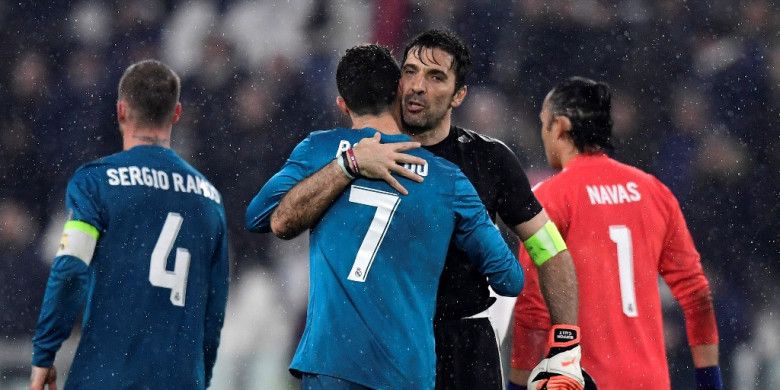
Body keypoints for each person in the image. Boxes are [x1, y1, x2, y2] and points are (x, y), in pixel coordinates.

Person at [250, 29, 584, 389]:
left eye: (435, 76)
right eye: (410, 72)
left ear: (459, 95)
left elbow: (547, 247)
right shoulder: (360, 151)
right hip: (389, 346)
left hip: (461, 340)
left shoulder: (489, 159)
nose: (418, 85)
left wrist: (566, 341)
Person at [510, 77, 722, 390]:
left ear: (561, 127)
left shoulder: (548, 200)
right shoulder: (653, 191)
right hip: (650, 380)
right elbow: (696, 293)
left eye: (545, 123)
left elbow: (533, 305)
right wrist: (709, 380)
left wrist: (516, 385)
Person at [30, 60, 229, 390]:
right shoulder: (209, 200)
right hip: (178, 380)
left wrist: (44, 354)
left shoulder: (96, 182)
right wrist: (200, 378)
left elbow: (70, 270)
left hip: (106, 376)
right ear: (176, 114)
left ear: (121, 111)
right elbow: (214, 310)